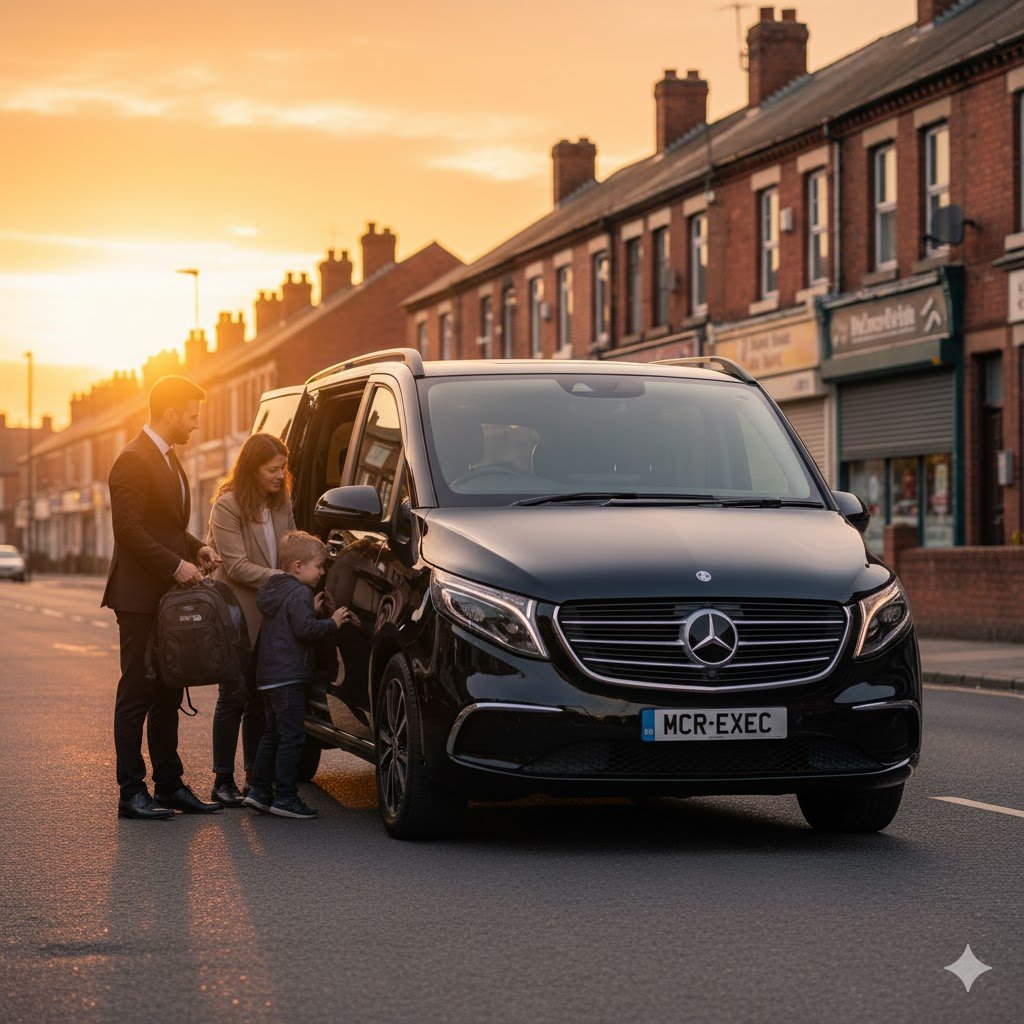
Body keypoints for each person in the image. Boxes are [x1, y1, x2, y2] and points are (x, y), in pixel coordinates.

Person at [101, 375, 223, 820]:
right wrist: (175, 565)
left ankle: (169, 786)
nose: (195, 425)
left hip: (166, 598)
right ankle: (131, 792)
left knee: (169, 691)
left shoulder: (168, 458)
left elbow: (165, 526)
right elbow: (129, 531)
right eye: (191, 416)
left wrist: (196, 549)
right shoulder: (132, 460)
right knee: (136, 692)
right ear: (170, 413)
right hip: (137, 599)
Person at [206, 433, 296, 807]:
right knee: (234, 697)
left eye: (283, 468)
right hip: (239, 617)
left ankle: (255, 779)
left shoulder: (280, 504)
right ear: (252, 469)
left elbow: (292, 548)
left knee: (262, 700)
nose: (280, 475)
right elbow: (237, 567)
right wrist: (286, 578)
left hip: (274, 618)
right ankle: (222, 780)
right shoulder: (227, 507)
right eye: (272, 469)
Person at [242, 531, 352, 819]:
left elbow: (290, 623)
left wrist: (309, 612)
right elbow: (305, 631)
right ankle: (286, 797)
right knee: (292, 737)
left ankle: (259, 791)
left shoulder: (278, 591)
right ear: (298, 567)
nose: (322, 572)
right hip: (290, 678)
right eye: (319, 566)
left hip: (268, 677)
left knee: (271, 735)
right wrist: (332, 622)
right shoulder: (301, 593)